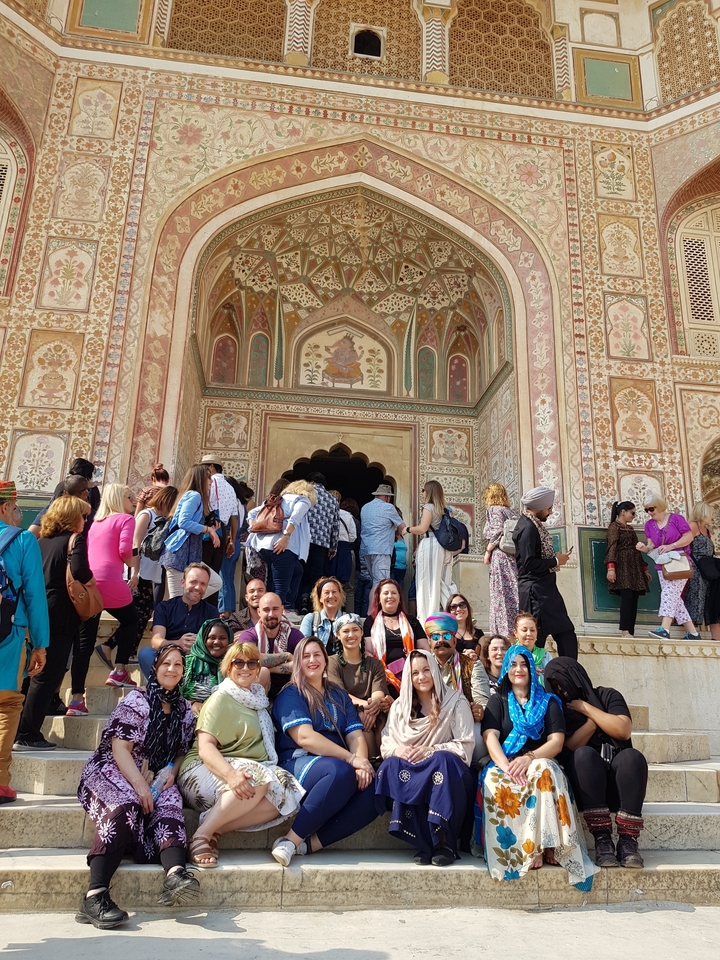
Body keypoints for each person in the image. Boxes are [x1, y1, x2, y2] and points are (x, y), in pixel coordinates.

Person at [76, 644, 198, 928]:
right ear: (154, 668)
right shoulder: (136, 701)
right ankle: (94, 896)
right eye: (166, 663)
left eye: (178, 664)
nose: (172, 669)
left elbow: (181, 751)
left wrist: (171, 771)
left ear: (184, 671)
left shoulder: (184, 710)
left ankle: (175, 873)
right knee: (126, 806)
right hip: (114, 768)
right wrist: (140, 786)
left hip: (154, 772)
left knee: (169, 801)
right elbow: (120, 748)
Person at [178, 641, 304, 868]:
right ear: (228, 668)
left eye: (251, 663)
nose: (245, 667)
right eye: (238, 662)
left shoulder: (259, 701)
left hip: (246, 772)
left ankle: (214, 827)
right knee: (258, 777)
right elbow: (206, 747)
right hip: (202, 770)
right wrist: (231, 775)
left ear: (258, 669)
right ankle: (201, 837)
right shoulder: (221, 698)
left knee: (289, 792)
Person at [481, 644, 597, 886]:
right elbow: (490, 736)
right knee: (494, 780)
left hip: (538, 759)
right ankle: (527, 849)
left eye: (524, 664)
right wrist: (506, 766)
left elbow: (557, 742)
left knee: (544, 771)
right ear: (506, 669)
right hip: (507, 762)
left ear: (533, 669)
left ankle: (549, 845)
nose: (519, 669)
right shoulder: (498, 700)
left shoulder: (549, 702)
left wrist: (530, 758)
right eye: (513, 664)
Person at [270, 636, 378, 864]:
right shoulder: (291, 694)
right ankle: (290, 841)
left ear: (326, 660)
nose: (312, 660)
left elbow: (354, 734)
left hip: (339, 764)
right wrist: (351, 759)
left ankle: (312, 845)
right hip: (298, 761)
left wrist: (362, 765)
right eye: (305, 656)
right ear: (298, 662)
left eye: (317, 655)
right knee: (340, 771)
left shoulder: (338, 694)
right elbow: (305, 738)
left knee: (375, 787)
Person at [544, 657, 648, 869]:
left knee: (632, 757)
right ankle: (602, 839)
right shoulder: (558, 709)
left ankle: (628, 841)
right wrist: (595, 724)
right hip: (587, 789)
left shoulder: (608, 695)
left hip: (620, 788)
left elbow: (622, 729)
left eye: (563, 682)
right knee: (583, 754)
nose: (561, 690)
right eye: (555, 686)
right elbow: (569, 746)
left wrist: (586, 709)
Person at [376, 650, 476, 865]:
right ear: (408, 678)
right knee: (393, 763)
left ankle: (444, 842)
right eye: (415, 673)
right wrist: (398, 751)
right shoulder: (399, 707)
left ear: (435, 672)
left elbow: (465, 746)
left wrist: (431, 750)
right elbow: (387, 742)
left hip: (451, 775)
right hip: (415, 772)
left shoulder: (456, 702)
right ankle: (423, 843)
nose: (421, 677)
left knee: (443, 762)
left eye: (426, 670)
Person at [14, 496, 91, 750]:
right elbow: (80, 571)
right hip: (60, 614)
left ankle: (18, 728)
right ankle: (28, 732)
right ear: (71, 517)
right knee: (49, 675)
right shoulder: (75, 540)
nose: (85, 520)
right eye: (82, 515)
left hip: (36, 611)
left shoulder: (40, 541)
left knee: (32, 672)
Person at [0, 481, 49, 803]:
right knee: (6, 705)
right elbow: (34, 595)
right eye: (17, 509)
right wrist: (41, 645)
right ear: (5, 507)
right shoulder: (22, 540)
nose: (19, 515)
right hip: (8, 634)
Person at [95, 485, 178, 675]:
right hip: (138, 574)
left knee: (142, 613)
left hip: (150, 573)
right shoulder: (147, 515)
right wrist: (134, 572)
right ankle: (116, 649)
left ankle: (117, 648)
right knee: (138, 615)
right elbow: (135, 544)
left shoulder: (164, 519)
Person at [84, 483, 140, 689]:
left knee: (86, 637)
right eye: (129, 496)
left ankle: (77, 697)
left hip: (90, 583)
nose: (132, 500)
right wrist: (132, 563)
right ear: (118, 498)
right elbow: (125, 549)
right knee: (132, 620)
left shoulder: (96, 522)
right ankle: (119, 670)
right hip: (111, 580)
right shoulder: (126, 519)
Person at [513, 486, 577, 659]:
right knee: (535, 640)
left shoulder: (532, 524)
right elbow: (528, 564)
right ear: (540, 507)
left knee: (566, 634)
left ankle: (568, 676)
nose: (550, 511)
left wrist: (556, 558)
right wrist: (556, 561)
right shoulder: (528, 528)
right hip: (536, 594)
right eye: (548, 508)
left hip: (545, 591)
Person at [425, 612, 489, 764]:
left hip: (462, 724)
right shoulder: (423, 667)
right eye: (435, 637)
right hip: (431, 724)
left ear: (455, 640)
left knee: (479, 735)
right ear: (429, 642)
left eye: (446, 636)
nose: (441, 640)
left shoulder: (473, 665)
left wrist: (480, 710)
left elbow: (483, 702)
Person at [138, 562, 219, 680]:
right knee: (146, 654)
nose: (198, 587)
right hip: (167, 658)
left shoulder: (211, 612)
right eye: (193, 582)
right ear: (182, 582)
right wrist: (178, 643)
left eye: (203, 584)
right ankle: (165, 691)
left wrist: (199, 643)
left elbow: (214, 645)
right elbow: (156, 641)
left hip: (195, 661)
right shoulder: (164, 607)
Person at [246, 479, 316, 614]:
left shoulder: (278, 499)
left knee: (292, 572)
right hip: (283, 547)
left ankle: (285, 607)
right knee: (280, 585)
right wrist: (285, 537)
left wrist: (253, 526)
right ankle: (280, 612)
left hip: (264, 547)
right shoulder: (302, 500)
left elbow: (252, 514)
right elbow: (295, 518)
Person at [327, 613, 391, 757]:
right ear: (338, 635)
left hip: (373, 712)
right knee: (363, 724)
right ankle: (371, 765)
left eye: (355, 630)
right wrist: (365, 707)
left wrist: (372, 706)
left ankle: (386, 763)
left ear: (362, 632)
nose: (351, 635)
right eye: (345, 631)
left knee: (379, 721)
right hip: (348, 711)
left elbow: (378, 694)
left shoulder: (374, 663)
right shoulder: (332, 662)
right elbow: (340, 693)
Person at [636, 497, 699, 640]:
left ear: (660, 506)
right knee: (674, 598)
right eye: (646, 510)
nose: (649, 512)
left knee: (668, 594)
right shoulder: (649, 525)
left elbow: (688, 537)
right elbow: (651, 547)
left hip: (678, 562)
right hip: (662, 565)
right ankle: (693, 633)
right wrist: (643, 548)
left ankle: (664, 629)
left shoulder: (676, 519)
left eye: (651, 509)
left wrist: (672, 546)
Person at [160, 465, 220, 599]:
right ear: (200, 478)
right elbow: (184, 522)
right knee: (176, 602)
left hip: (187, 556)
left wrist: (208, 531)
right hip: (179, 554)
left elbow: (189, 528)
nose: (211, 480)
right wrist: (207, 529)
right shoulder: (195, 495)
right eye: (208, 477)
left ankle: (188, 602)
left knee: (215, 582)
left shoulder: (191, 495)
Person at [363, 579, 428, 692]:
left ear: (399, 598)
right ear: (378, 599)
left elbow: (424, 648)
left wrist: (412, 667)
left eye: (394, 593)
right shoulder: (370, 622)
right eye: (386, 593)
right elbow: (367, 651)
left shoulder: (412, 621)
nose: (390, 596)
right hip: (381, 676)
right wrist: (383, 671)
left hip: (411, 674)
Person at [408, 480, 458, 625]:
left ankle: (428, 621)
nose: (422, 493)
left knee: (427, 584)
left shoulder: (429, 507)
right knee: (443, 582)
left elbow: (423, 529)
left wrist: (408, 529)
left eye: (423, 490)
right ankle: (452, 612)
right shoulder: (447, 509)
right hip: (444, 548)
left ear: (429, 491)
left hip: (431, 545)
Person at [236, 592, 300, 697]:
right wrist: (286, 656)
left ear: (282, 610)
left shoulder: (294, 635)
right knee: (263, 672)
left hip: (288, 691)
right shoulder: (249, 636)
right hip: (253, 692)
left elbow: (302, 665)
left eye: (275, 609)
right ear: (259, 612)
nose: (271, 614)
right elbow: (247, 661)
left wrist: (270, 668)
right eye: (266, 610)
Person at [605, 500, 651, 637]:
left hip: (634, 566)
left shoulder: (630, 529)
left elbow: (636, 548)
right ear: (623, 512)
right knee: (627, 597)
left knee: (634, 597)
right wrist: (611, 568)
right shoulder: (614, 527)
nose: (633, 516)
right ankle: (625, 630)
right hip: (622, 566)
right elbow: (611, 547)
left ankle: (631, 631)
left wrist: (644, 569)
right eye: (632, 513)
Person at [298, 472, 340, 615]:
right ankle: (313, 606)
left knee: (300, 572)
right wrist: (333, 547)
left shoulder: (305, 495)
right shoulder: (332, 500)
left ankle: (299, 603)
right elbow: (335, 526)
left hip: (303, 541)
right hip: (322, 544)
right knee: (316, 577)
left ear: (311, 482)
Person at [482, 483, 519, 637]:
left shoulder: (494, 510)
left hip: (501, 556)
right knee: (512, 590)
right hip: (512, 557)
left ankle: (502, 631)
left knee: (501, 593)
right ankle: (516, 627)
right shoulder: (511, 512)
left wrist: (488, 550)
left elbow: (497, 531)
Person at [198, 457, 239, 585]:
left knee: (201, 573)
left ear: (211, 467)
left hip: (208, 530)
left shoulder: (208, 482)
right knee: (214, 576)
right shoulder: (230, 488)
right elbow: (234, 518)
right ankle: (211, 605)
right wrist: (231, 540)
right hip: (222, 532)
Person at [359, 484, 406, 592]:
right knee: (382, 584)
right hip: (382, 550)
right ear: (387, 497)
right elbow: (402, 528)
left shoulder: (365, 507)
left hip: (366, 550)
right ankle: (376, 609)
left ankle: (371, 609)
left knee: (375, 583)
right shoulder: (388, 507)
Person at [181, 618, 233, 713]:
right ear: (203, 640)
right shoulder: (188, 663)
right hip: (192, 717)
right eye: (212, 637)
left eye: (222, 638)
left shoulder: (235, 665)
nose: (216, 642)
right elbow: (172, 696)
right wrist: (191, 704)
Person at [219, 479, 253, 615]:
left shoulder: (232, 502)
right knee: (228, 577)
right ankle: (229, 608)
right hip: (237, 542)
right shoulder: (241, 503)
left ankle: (224, 610)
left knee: (223, 577)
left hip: (229, 541)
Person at [686, 501, 720, 640]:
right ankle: (691, 632)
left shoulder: (707, 530)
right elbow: (685, 545)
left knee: (706, 599)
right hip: (696, 568)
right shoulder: (693, 526)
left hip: (707, 569)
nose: (712, 518)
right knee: (695, 597)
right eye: (710, 514)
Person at [28, 474, 90, 538]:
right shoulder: (90, 513)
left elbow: (30, 536)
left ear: (64, 493)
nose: (85, 520)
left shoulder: (52, 509)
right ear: (85, 493)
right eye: (84, 516)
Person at [299, 576, 346, 653]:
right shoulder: (310, 619)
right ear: (320, 598)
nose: (331, 596)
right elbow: (302, 647)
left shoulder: (348, 620)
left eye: (334, 592)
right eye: (326, 593)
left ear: (340, 595)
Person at [513, 612, 553, 686]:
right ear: (515, 633)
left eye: (532, 630)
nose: (529, 633)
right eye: (524, 630)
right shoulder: (511, 655)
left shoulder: (545, 655)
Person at [446, 593, 484, 659]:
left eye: (462, 605)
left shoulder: (479, 634)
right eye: (453, 607)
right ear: (449, 611)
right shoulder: (445, 633)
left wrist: (475, 657)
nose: (458, 609)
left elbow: (483, 660)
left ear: (468, 608)